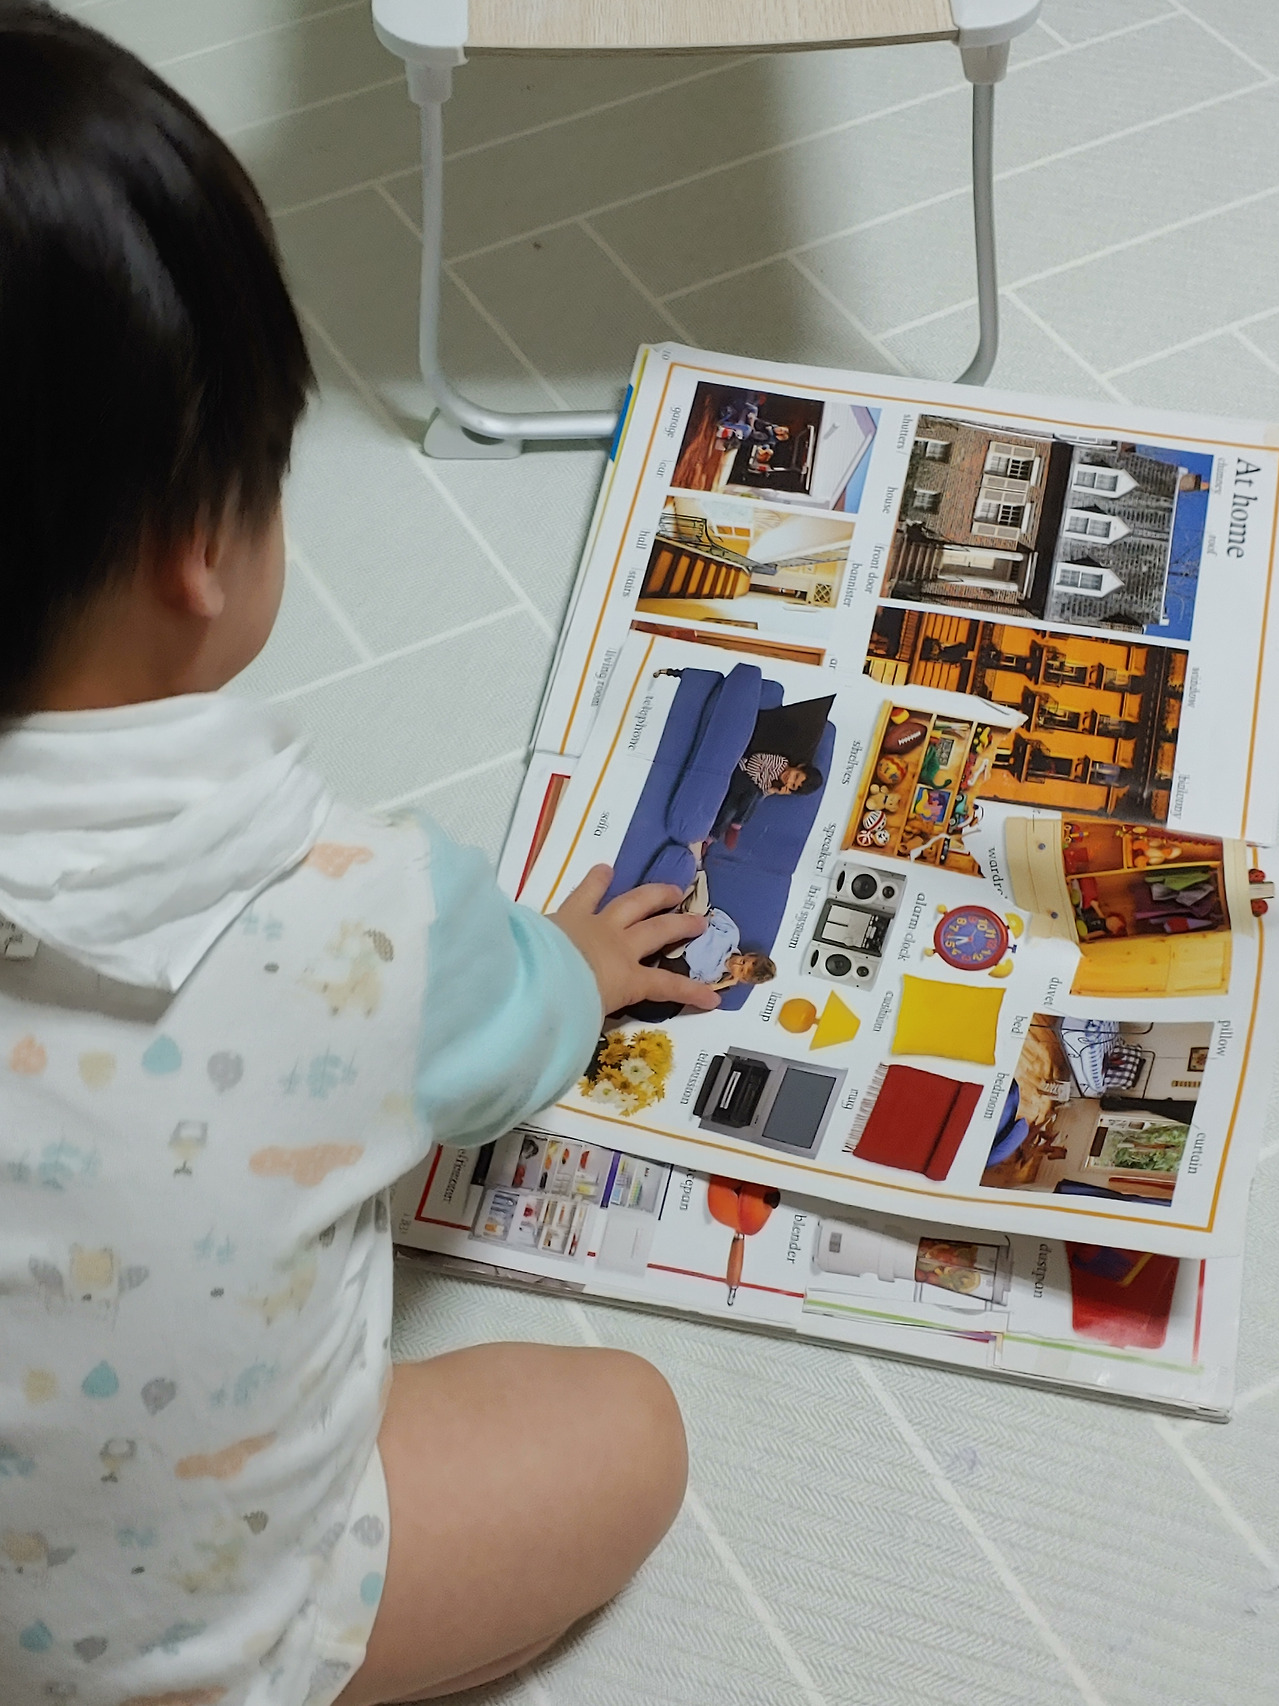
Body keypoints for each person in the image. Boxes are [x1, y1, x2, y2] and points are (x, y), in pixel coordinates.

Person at [0, 9, 720, 1706]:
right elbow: (509, 1047)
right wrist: (571, 965)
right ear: (199, 547)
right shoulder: (364, 911)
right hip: (191, 1648)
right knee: (628, 1427)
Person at [709, 751, 824, 843]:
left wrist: (772, 790)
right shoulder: (780, 763)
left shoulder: (775, 784)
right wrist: (763, 785)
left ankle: (711, 837)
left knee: (732, 809)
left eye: (792, 785)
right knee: (755, 793)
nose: (789, 779)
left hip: (745, 791)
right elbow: (754, 761)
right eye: (796, 775)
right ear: (800, 766)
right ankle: (738, 824)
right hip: (742, 771)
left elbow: (759, 794)